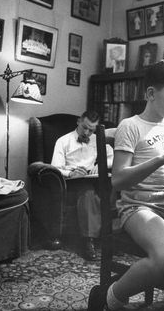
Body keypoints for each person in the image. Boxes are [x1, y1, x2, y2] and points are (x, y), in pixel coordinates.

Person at [88, 58, 164, 310]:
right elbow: (118, 179)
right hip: (139, 208)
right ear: (151, 93)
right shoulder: (130, 126)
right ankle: (110, 296)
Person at [51, 110, 113, 261]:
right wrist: (70, 173)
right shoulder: (63, 141)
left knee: (113, 186)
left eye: (91, 130)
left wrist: (101, 165)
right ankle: (88, 240)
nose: (87, 132)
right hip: (71, 181)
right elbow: (55, 167)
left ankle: (111, 237)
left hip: (93, 178)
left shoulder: (97, 140)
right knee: (87, 192)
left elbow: (112, 156)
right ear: (78, 121)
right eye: (84, 127)